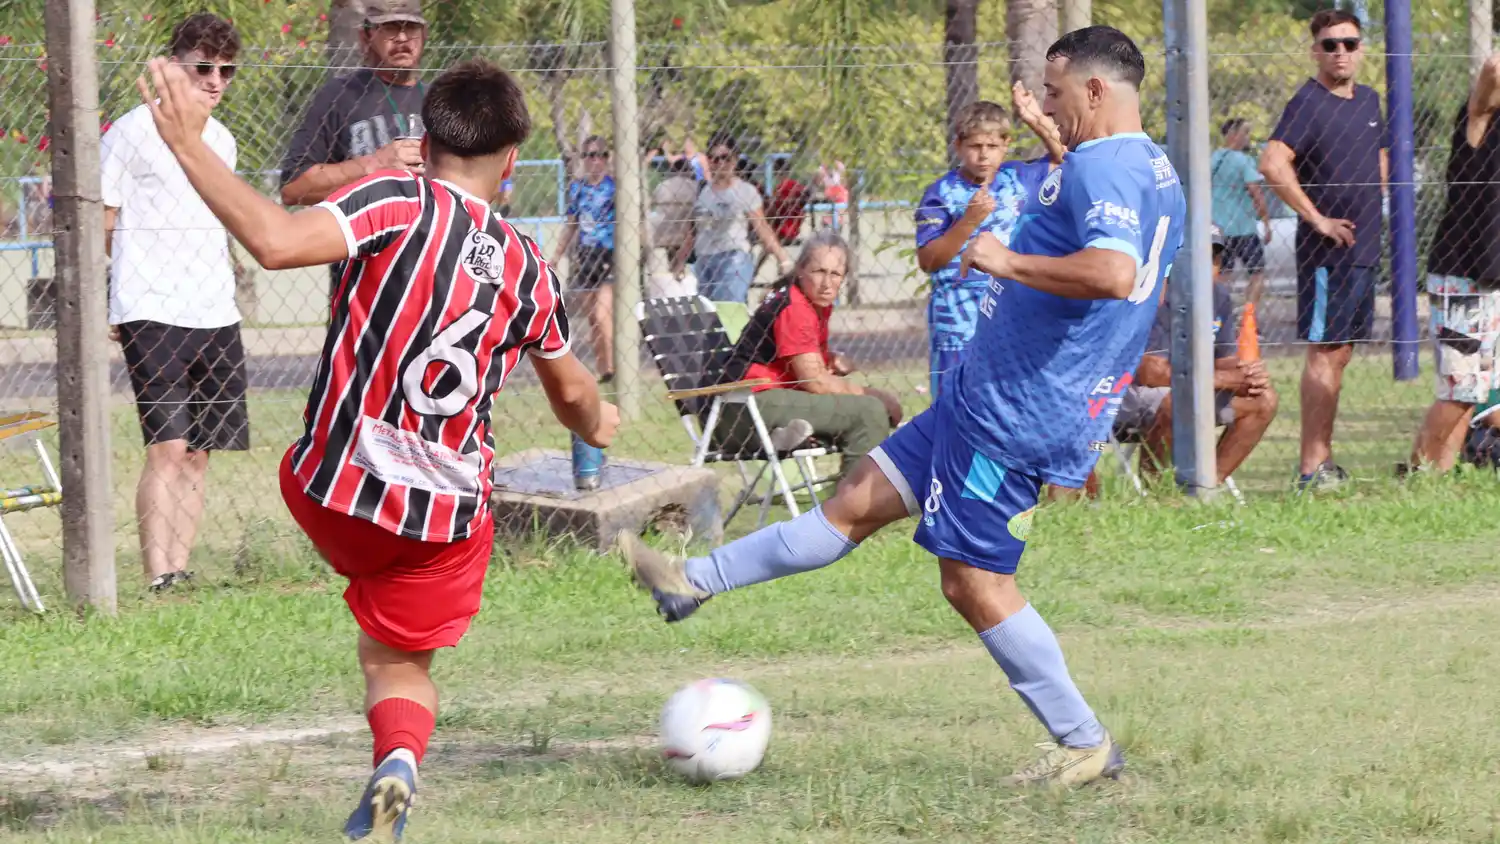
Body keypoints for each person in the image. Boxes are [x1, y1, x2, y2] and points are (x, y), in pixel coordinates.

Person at [621, 26, 1183, 789]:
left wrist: (1006, 258)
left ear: (1094, 90)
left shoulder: (1105, 166)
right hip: (985, 396)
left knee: (973, 581)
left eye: (1054, 93)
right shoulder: (1147, 164)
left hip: (1015, 411)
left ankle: (1084, 742)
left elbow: (1114, 272)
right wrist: (1058, 144)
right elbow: (1099, 211)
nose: (1043, 107)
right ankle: (694, 581)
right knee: (854, 502)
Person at [135, 57, 618, 840]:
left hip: (332, 490)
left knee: (365, 567)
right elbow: (575, 400)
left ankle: (392, 762)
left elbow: (274, 239)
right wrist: (602, 425)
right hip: (442, 526)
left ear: (422, 144)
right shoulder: (528, 265)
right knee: (398, 663)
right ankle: (399, 758)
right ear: (510, 163)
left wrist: (189, 143)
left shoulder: (395, 199)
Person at [102, 13, 246, 593]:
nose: (215, 80)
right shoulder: (130, 133)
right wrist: (114, 296)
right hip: (152, 307)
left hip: (215, 309)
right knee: (167, 446)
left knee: (200, 452)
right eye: (203, 67)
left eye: (226, 70)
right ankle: (157, 573)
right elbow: (104, 217)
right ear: (173, 67)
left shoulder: (223, 141)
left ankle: (180, 570)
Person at [1258, 7, 1388, 491]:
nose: (1340, 53)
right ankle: (1311, 470)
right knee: (1324, 351)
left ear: (1362, 50)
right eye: (1330, 44)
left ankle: (1324, 463)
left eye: (1349, 44)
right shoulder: (1307, 102)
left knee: (1341, 354)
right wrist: (1317, 219)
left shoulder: (1371, 101)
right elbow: (1272, 163)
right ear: (1315, 51)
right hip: (1326, 253)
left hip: (1365, 247)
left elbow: (1379, 160)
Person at [914, 82, 1066, 398]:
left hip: (1012, 314)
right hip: (959, 322)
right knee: (955, 404)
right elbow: (929, 260)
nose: (983, 155)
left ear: (1006, 145)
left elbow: (1066, 157)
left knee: (1012, 400)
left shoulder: (1018, 178)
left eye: (992, 146)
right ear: (958, 145)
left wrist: (1033, 117)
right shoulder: (941, 193)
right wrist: (968, 221)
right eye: (975, 146)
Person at [715, 232, 901, 469]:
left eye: (835, 274)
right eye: (819, 271)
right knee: (870, 410)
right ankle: (855, 501)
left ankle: (856, 496)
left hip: (755, 405)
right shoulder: (796, 308)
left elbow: (800, 363)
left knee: (860, 409)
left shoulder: (809, 301)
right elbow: (816, 383)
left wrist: (830, 359)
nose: (826, 283)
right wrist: (874, 394)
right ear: (801, 269)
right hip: (745, 411)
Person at [1112, 226, 1278, 485]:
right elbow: (1150, 374)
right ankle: (1156, 491)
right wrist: (1224, 380)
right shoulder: (1151, 294)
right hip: (1124, 394)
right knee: (1175, 401)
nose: (1205, 266)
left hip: (1189, 386)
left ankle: (1206, 486)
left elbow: (1224, 359)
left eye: (1213, 258)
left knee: (1263, 400)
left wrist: (1247, 372)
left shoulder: (1218, 296)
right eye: (1194, 257)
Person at [1406, 55, 1500, 473]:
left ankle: (1440, 479)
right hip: (1462, 276)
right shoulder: (1478, 124)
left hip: (1491, 280)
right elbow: (1493, 67)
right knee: (1458, 391)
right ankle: (1418, 475)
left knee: (1474, 390)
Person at [278, 0, 428, 207]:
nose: (402, 38)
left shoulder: (441, 100)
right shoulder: (340, 95)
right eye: (389, 28)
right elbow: (293, 188)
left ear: (424, 34)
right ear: (366, 36)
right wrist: (374, 165)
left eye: (410, 28)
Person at [686, 133, 793, 303]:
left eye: (725, 158)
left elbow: (762, 227)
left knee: (727, 310)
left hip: (733, 259)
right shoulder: (702, 192)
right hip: (704, 260)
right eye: (714, 159)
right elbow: (693, 231)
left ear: (735, 160)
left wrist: (783, 258)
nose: (720, 163)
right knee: (709, 317)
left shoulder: (745, 191)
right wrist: (678, 262)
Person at [550, 136, 617, 383]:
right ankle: (603, 370)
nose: (596, 160)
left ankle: (611, 366)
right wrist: (556, 256)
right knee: (592, 319)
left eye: (601, 155)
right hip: (585, 255)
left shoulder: (614, 187)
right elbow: (571, 224)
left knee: (602, 314)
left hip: (609, 254)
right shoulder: (578, 188)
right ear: (583, 160)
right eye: (590, 155)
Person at [1211, 117, 1272, 306]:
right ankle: (1249, 316)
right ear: (1233, 134)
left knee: (1222, 274)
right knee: (1257, 272)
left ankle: (1217, 316)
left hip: (1218, 227)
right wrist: (1266, 222)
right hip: (1243, 228)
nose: (1247, 138)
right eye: (1245, 133)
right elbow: (1255, 192)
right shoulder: (1243, 160)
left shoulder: (1211, 159)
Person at [647, 156, 700, 296]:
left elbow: (655, 202)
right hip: (686, 231)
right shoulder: (695, 186)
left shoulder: (662, 185)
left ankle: (674, 278)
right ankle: (679, 276)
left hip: (663, 230)